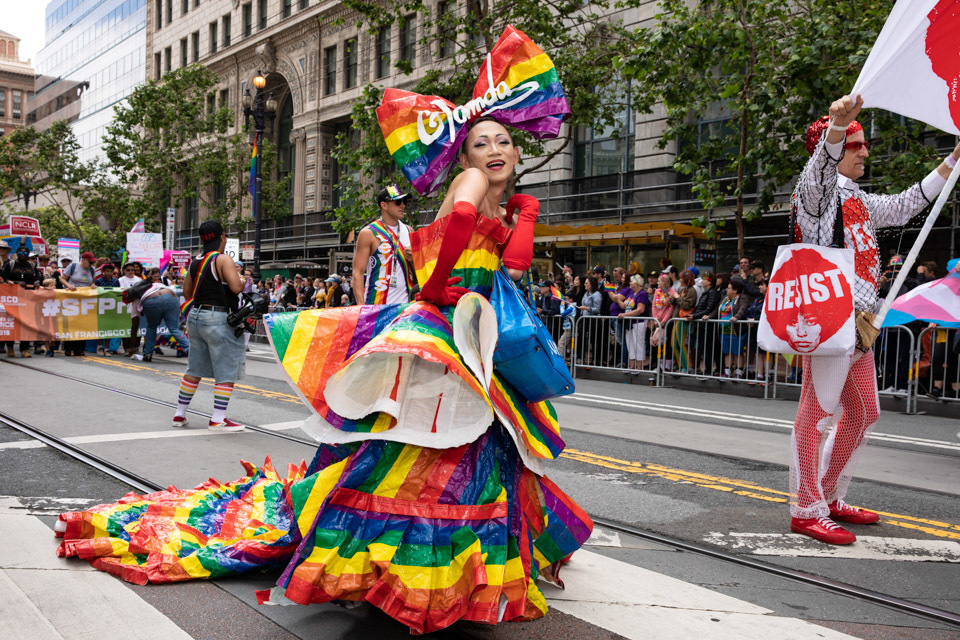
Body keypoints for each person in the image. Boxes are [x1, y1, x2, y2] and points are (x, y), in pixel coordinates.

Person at [56, 33, 589, 632]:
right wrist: (451, 257)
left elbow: (512, 266)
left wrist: (525, 214)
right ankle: (412, 565)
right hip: (448, 326)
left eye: (504, 140)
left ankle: (445, 563)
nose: (495, 150)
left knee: (462, 445)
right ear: (462, 159)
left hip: (473, 328)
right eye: (480, 144)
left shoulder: (497, 198)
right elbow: (441, 265)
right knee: (436, 446)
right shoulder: (467, 190)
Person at [787, 94, 960, 545]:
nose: (865, 150)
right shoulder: (816, 195)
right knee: (816, 413)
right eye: (855, 143)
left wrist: (953, 160)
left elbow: (906, 204)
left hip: (859, 326)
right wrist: (836, 129)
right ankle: (806, 507)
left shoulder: (857, 199)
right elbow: (819, 171)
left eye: (861, 142)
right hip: (828, 322)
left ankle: (829, 496)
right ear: (834, 147)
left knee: (864, 411)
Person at [173, 219, 245, 432]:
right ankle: (218, 419)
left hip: (196, 317)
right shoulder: (223, 259)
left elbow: (187, 293)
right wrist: (240, 280)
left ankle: (179, 414)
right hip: (218, 318)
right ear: (222, 237)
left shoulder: (195, 262)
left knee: (194, 368)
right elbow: (236, 287)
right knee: (226, 370)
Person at [352, 183, 415, 305]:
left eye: (404, 201)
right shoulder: (369, 233)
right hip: (376, 305)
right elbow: (357, 272)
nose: (403, 205)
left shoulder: (409, 231)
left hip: (405, 305)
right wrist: (361, 307)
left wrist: (413, 260)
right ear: (384, 205)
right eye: (398, 202)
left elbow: (419, 269)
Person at [133, 272, 189, 363]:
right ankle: (190, 350)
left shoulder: (143, 288)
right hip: (170, 297)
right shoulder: (163, 285)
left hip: (151, 300)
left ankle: (147, 354)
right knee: (174, 329)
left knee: (151, 327)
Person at [1, 242, 42, 357]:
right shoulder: (11, 264)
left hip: (27, 299)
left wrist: (37, 281)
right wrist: (16, 283)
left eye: (25, 253)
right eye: (20, 252)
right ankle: (10, 347)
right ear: (17, 254)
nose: (23, 254)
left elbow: (37, 277)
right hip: (12, 299)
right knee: (12, 322)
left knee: (27, 323)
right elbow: (4, 278)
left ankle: (25, 349)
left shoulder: (32, 266)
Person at [58, 251, 97, 356]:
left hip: (84, 300)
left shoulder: (92, 270)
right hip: (71, 298)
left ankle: (79, 348)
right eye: (90, 262)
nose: (91, 264)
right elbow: (62, 278)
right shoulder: (73, 266)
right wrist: (68, 285)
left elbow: (92, 281)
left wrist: (93, 285)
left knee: (82, 323)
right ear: (83, 260)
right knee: (71, 322)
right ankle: (68, 347)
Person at [710, 279, 749, 377]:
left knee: (737, 351)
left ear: (735, 290)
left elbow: (742, 309)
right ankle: (727, 371)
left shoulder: (742, 298)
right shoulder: (725, 298)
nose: (727, 289)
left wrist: (737, 317)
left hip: (736, 330)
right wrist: (709, 316)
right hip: (724, 329)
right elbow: (717, 310)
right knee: (726, 351)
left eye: (729, 288)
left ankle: (739, 372)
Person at [618, 274, 649, 370]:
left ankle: (639, 366)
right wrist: (617, 299)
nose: (630, 283)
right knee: (630, 343)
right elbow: (624, 305)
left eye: (631, 281)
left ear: (636, 283)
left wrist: (625, 315)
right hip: (629, 322)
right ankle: (631, 365)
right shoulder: (631, 293)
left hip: (638, 322)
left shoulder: (642, 294)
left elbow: (640, 309)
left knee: (638, 343)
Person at [118, 262, 143, 357]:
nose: (130, 271)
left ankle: (136, 347)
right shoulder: (120, 280)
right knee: (126, 326)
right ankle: (127, 348)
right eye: (128, 270)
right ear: (124, 271)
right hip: (124, 306)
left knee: (136, 326)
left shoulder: (139, 280)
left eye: (132, 270)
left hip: (136, 306)